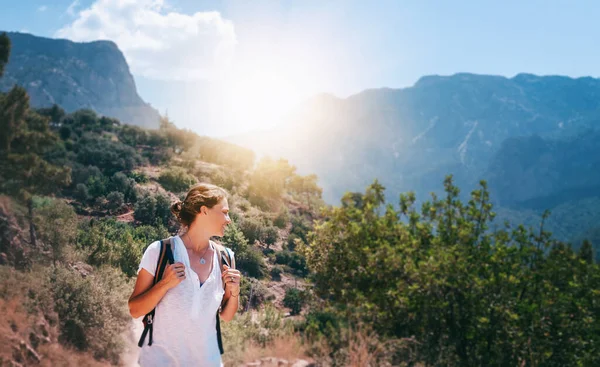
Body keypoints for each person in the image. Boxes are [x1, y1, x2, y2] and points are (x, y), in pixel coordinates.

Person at [128, 183, 241, 367]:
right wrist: (165, 284)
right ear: (204, 210)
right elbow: (135, 310)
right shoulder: (160, 251)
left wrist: (235, 290)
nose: (228, 219)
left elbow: (226, 316)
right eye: (224, 211)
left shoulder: (226, 258)